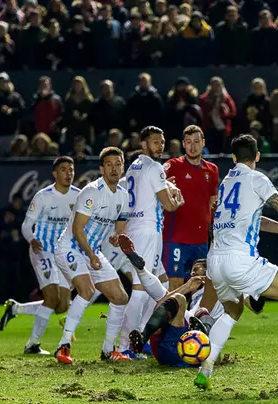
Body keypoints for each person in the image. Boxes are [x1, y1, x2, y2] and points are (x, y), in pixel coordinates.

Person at [193, 134, 278, 390]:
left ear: (233, 158)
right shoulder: (257, 178)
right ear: (257, 156)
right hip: (240, 260)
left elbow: (255, 220)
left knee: (233, 311)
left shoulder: (226, 182)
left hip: (215, 262)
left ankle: (206, 368)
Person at [53, 147, 132, 364]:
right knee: (86, 290)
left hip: (92, 252)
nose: (114, 168)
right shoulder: (91, 192)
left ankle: (108, 350)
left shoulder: (124, 196)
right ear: (101, 169)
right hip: (70, 248)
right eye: (109, 165)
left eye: (118, 164)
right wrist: (91, 255)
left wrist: (117, 236)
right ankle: (63, 346)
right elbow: (78, 229)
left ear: (123, 167)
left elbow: (121, 225)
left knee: (120, 297)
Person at [0, 157, 80, 355]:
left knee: (62, 305)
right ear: (55, 173)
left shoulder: (78, 196)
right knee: (51, 297)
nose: (68, 173)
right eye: (63, 169)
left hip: (63, 252)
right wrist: (32, 240)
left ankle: (15, 309)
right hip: (42, 250)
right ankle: (32, 345)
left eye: (71, 169)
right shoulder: (43, 196)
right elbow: (26, 225)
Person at [116, 126, 185, 359]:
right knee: (139, 289)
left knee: (158, 283)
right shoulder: (154, 167)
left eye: (162, 141)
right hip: (147, 230)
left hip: (137, 228)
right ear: (143, 144)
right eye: (155, 142)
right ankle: (125, 345)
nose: (160, 145)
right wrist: (177, 200)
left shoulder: (134, 166)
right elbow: (168, 205)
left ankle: (141, 338)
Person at [162, 125, 219, 292]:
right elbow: (154, 185)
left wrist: (213, 231)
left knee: (200, 286)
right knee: (175, 285)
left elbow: (212, 202)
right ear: (183, 144)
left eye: (196, 141)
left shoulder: (212, 170)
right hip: (176, 238)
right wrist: (165, 185)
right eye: (188, 142)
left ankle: (191, 317)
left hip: (201, 240)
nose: (192, 146)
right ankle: (172, 318)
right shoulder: (171, 166)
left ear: (203, 143)